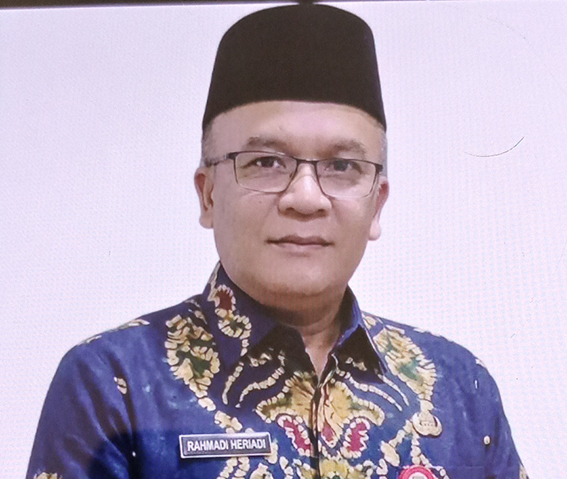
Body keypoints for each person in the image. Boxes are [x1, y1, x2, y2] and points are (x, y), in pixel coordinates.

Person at [26, 4, 527, 479]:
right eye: (265, 162)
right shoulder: (113, 383)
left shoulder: (459, 387)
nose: (305, 198)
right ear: (208, 194)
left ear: (377, 204)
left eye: (342, 166)